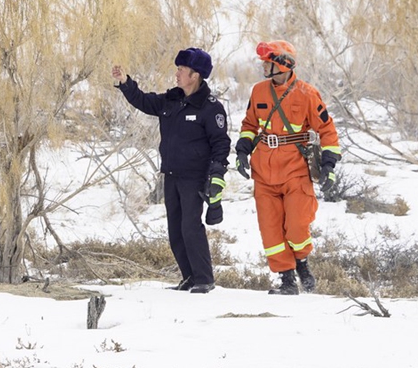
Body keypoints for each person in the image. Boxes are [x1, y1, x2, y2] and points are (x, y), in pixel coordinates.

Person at [112, 48, 231, 294]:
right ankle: (189, 277)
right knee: (175, 229)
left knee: (190, 226)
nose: (176, 74)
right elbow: (143, 101)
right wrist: (125, 82)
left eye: (181, 70)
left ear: (195, 75)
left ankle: (204, 279)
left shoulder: (211, 108)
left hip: (195, 178)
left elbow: (221, 143)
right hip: (172, 175)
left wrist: (217, 174)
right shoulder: (171, 100)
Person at [235, 40, 341, 295]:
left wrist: (328, 165)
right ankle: (287, 280)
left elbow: (327, 130)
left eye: (268, 63)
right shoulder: (258, 91)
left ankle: (302, 263)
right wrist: (241, 151)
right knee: (270, 230)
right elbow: (250, 124)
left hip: (295, 170)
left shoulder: (307, 93)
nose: (263, 67)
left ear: (283, 64)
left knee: (296, 226)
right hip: (264, 171)